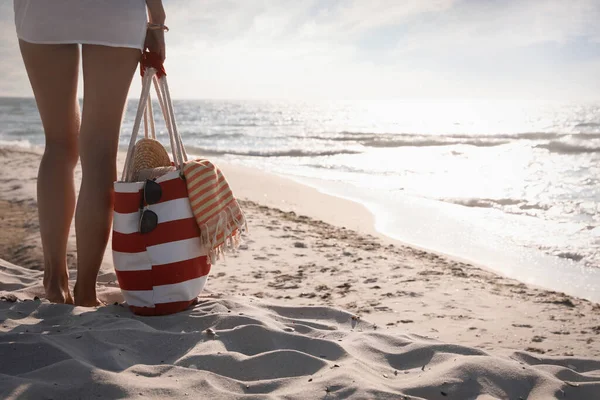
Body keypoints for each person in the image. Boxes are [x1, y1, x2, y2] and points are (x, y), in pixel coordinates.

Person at [13, 0, 167, 306]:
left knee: (58, 145)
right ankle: (86, 291)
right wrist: (157, 18)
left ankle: (55, 284)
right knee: (99, 151)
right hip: (114, 12)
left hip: (42, 10)